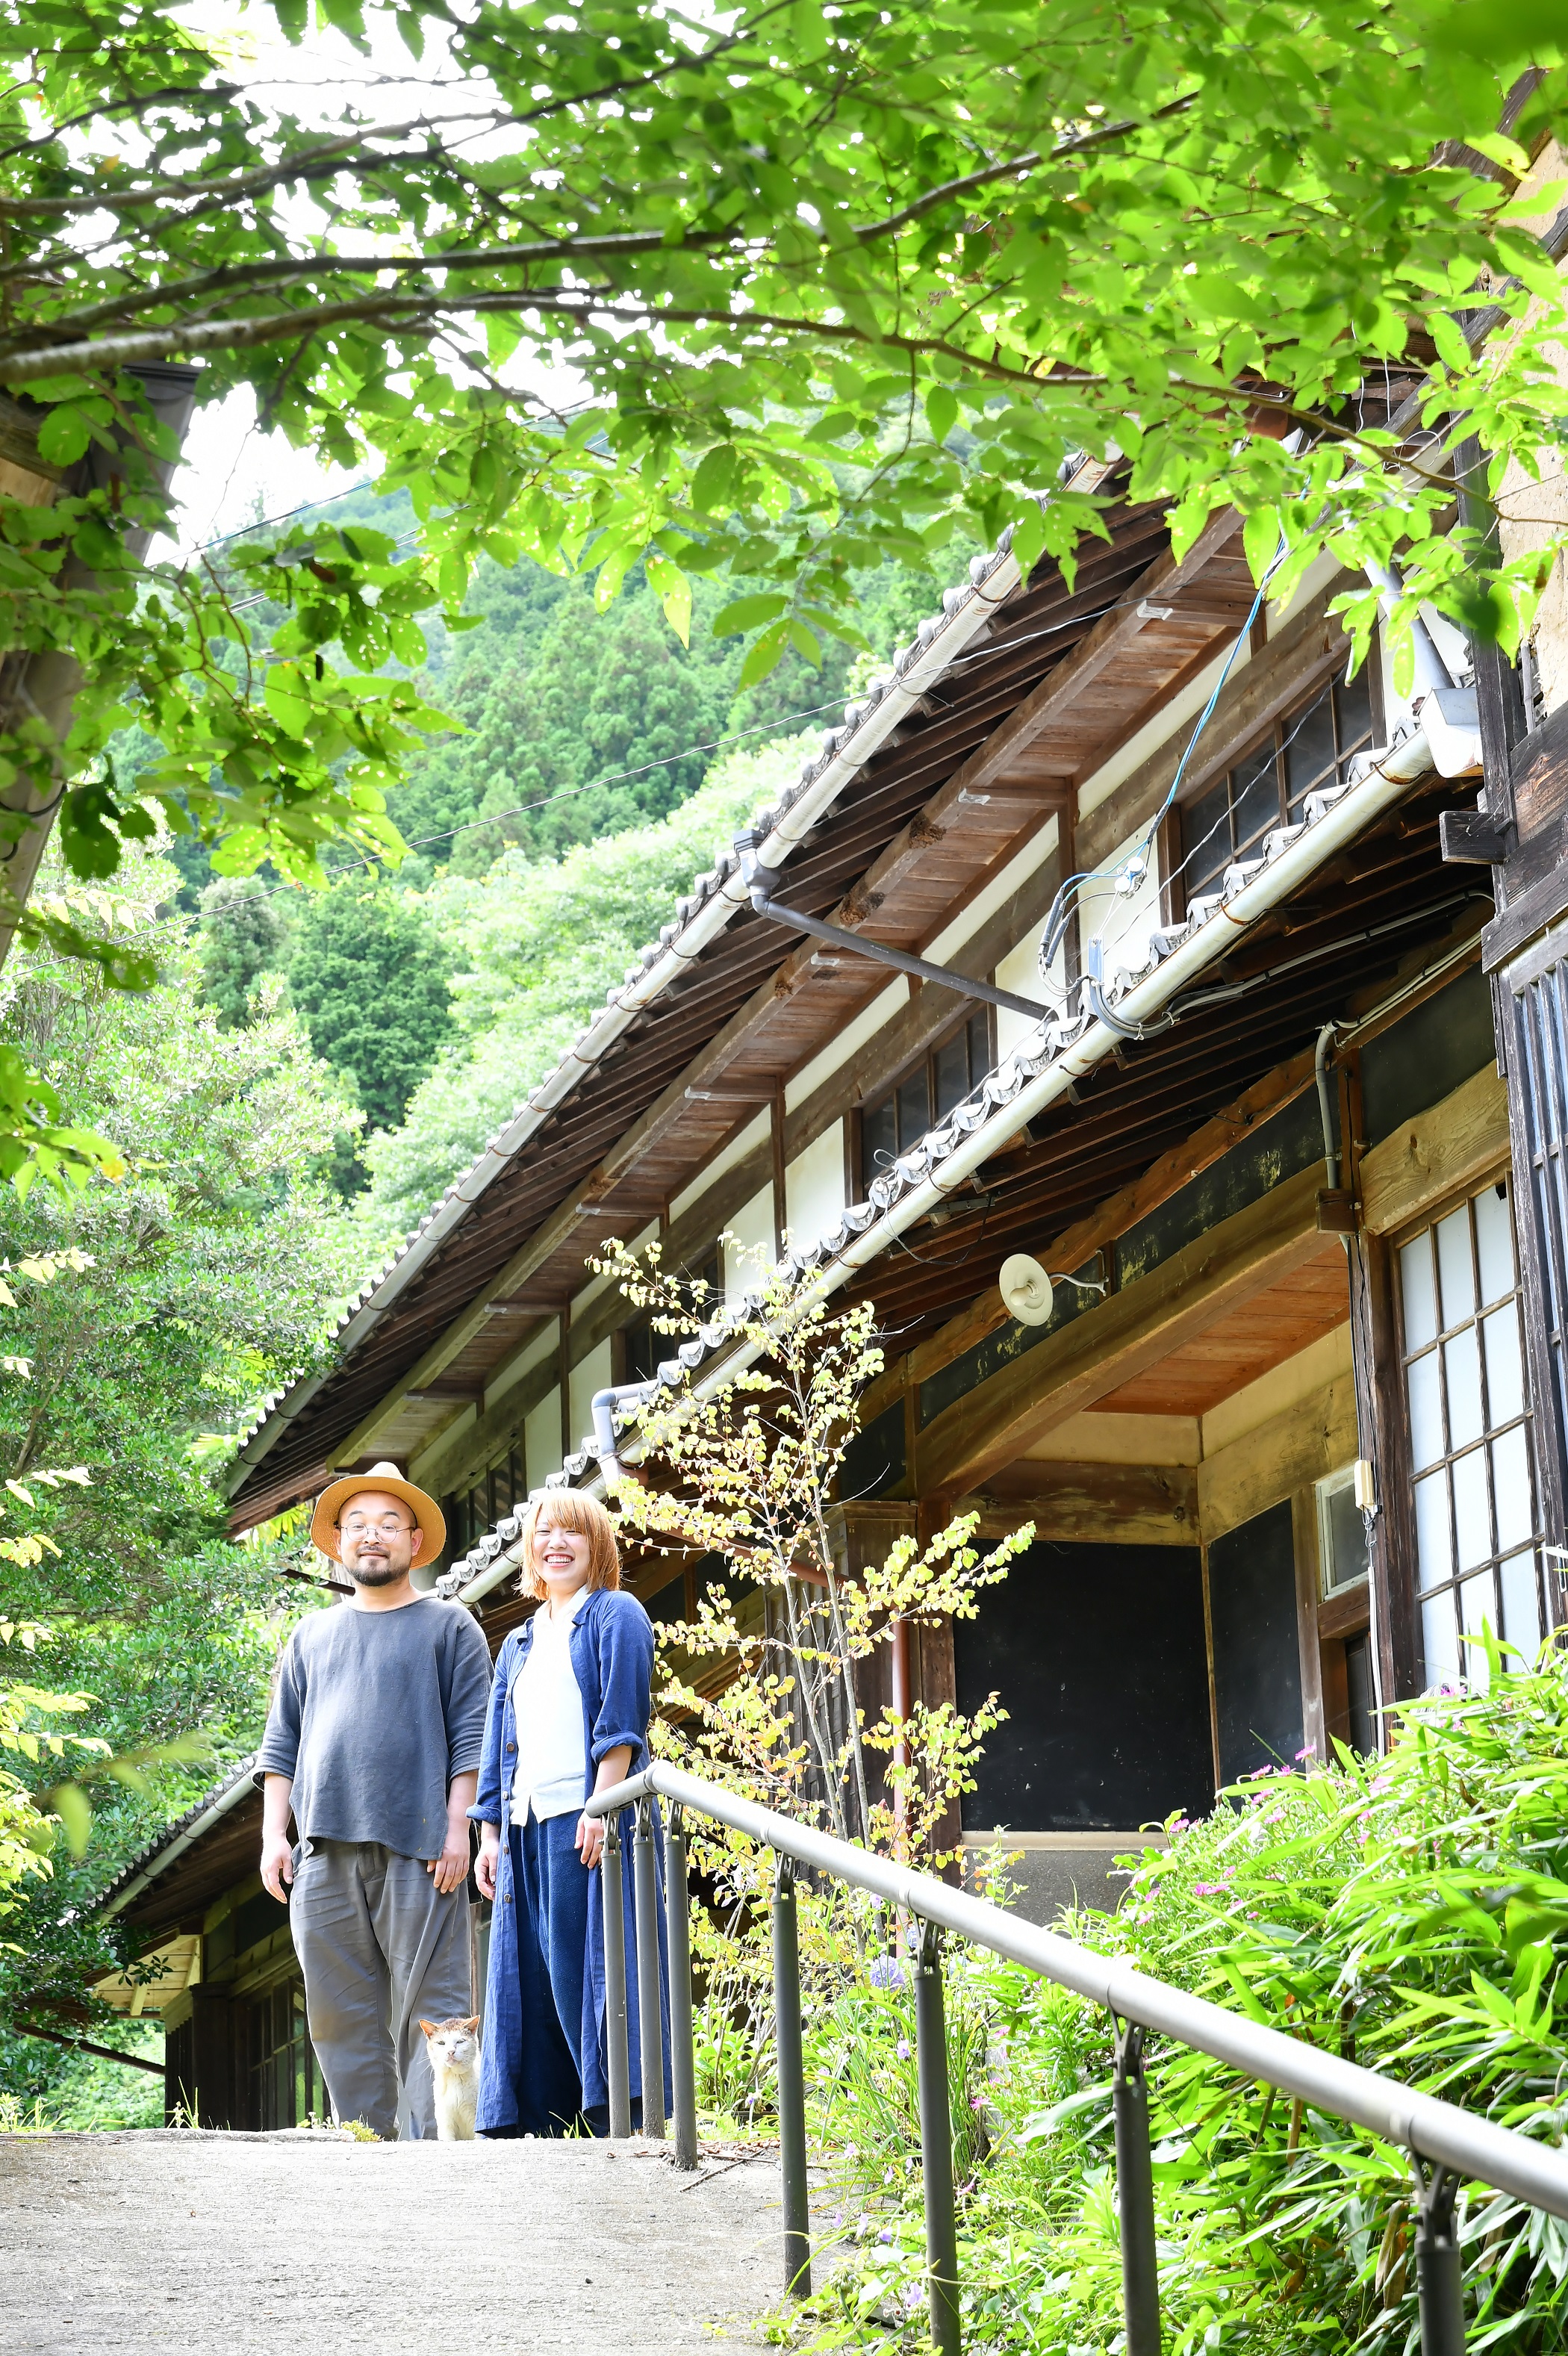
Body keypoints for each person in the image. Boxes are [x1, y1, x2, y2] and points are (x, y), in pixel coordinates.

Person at [255, 1458, 492, 2140]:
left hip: (422, 1846)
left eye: (390, 1523)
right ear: (338, 1542)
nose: (372, 1535)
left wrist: (459, 1829)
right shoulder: (309, 1636)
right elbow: (280, 1746)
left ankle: (439, 2152)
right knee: (337, 2012)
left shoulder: (451, 1626)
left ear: (415, 1541)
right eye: (357, 1524)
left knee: (436, 2007)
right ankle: (364, 2146)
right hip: (322, 1849)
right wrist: (275, 1836)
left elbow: (472, 1735)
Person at [471, 1489, 671, 2136]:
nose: (556, 1543)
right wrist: (490, 1834)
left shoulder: (616, 1614)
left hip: (583, 1821)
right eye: (544, 1532)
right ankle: (543, 2122)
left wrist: (600, 1805)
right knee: (527, 1978)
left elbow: (622, 1723)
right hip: (525, 1824)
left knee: (585, 1972)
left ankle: (620, 2114)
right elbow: (498, 1744)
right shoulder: (520, 1641)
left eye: (572, 1533)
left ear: (596, 1545)